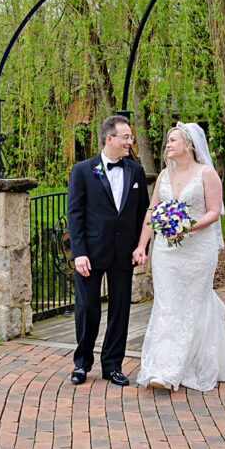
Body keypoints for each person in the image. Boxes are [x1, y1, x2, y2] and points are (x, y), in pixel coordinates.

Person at [134, 122, 225, 392]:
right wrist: (142, 246)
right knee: (168, 304)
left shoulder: (207, 174)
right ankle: (163, 370)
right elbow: (152, 211)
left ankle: (192, 365)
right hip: (166, 252)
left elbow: (214, 211)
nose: (167, 145)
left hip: (198, 250)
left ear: (189, 145)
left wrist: (187, 226)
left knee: (194, 304)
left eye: (172, 140)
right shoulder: (163, 176)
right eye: (168, 141)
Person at [66, 115, 150, 386]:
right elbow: (75, 214)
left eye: (131, 138)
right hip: (90, 252)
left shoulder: (135, 171)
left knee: (120, 311)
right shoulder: (82, 170)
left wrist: (141, 246)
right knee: (87, 308)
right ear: (109, 138)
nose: (130, 141)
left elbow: (143, 213)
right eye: (126, 137)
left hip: (123, 254)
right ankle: (82, 364)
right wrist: (78, 252)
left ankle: (113, 365)